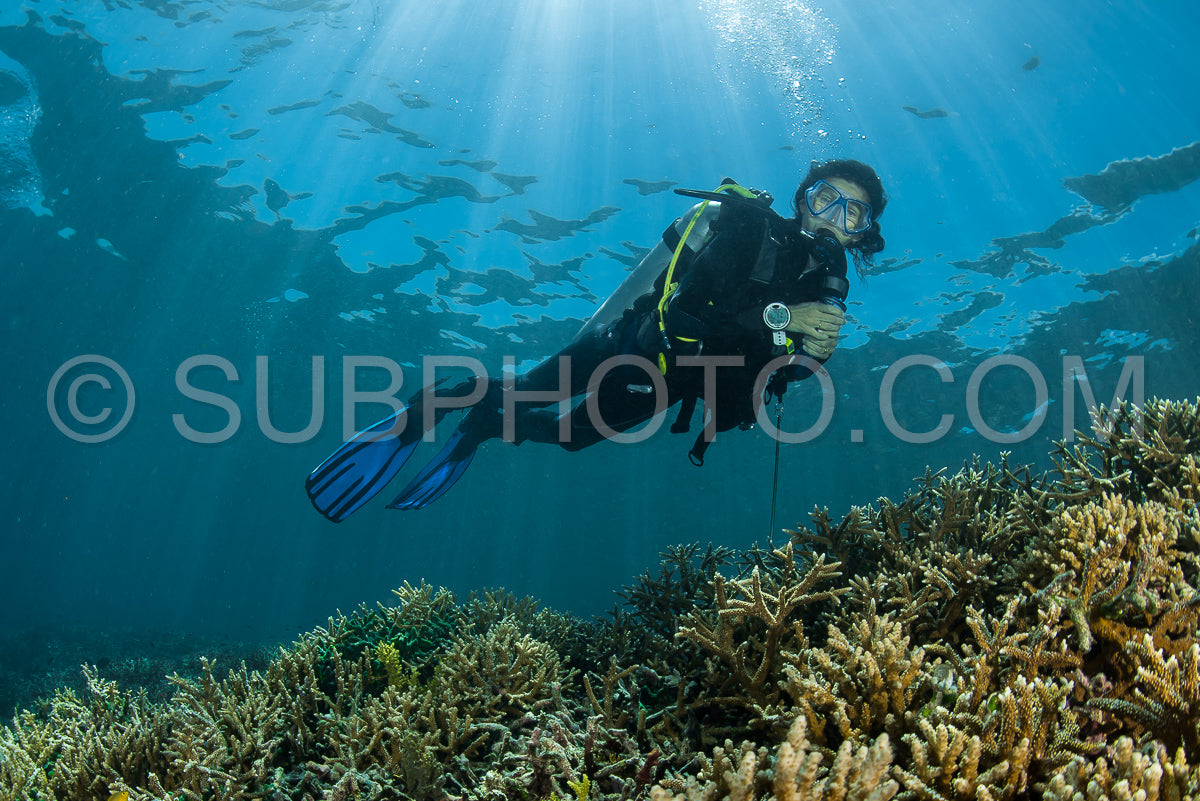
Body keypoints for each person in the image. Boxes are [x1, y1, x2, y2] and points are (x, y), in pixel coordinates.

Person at [306, 160, 887, 522]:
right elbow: (686, 314)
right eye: (824, 197)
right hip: (625, 344)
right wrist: (784, 315)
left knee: (569, 436)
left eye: (853, 213)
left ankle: (480, 424)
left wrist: (805, 358)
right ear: (800, 199)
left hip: (670, 382)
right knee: (531, 393)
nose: (834, 217)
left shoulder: (827, 291)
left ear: (865, 234)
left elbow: (767, 373)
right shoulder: (749, 231)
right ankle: (434, 406)